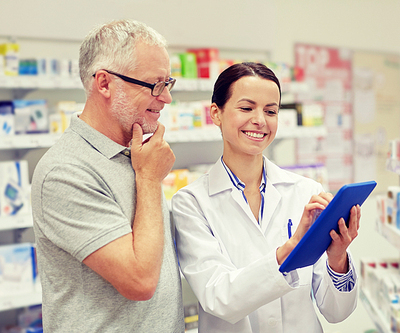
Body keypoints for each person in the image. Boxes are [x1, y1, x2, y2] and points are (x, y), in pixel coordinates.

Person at [172, 62, 362, 332]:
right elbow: (218, 298)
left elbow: (337, 311)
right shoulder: (191, 202)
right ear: (216, 113)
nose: (260, 120)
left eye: (271, 111)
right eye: (247, 108)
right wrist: (291, 248)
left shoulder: (306, 191)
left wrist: (337, 257)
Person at [31, 19, 184, 332]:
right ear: (104, 83)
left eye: (168, 83)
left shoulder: (137, 156)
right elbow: (139, 281)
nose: (166, 98)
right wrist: (150, 180)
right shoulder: (66, 171)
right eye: (155, 85)